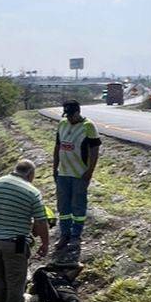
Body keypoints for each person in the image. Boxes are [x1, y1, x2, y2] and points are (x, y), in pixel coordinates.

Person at [0, 159, 50, 302]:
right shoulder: (32, 192)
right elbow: (41, 221)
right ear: (30, 174)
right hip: (16, 242)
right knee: (16, 281)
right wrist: (45, 244)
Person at [52, 100, 100, 254]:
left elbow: (94, 150)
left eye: (72, 115)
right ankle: (64, 234)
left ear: (78, 112)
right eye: (67, 115)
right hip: (63, 173)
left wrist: (90, 171)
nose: (70, 118)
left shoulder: (89, 126)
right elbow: (58, 147)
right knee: (63, 206)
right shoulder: (62, 124)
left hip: (80, 174)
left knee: (78, 205)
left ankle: (76, 236)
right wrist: (55, 168)